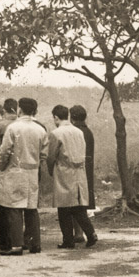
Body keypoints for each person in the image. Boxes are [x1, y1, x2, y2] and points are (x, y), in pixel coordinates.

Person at [0, 97, 48, 256]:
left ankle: (17, 245)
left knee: (14, 209)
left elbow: (4, 151)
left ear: (19, 109)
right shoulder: (40, 129)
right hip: (32, 171)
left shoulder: (13, 128)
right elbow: (44, 154)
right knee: (32, 208)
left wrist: (1, 165)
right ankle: (35, 244)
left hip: (15, 170)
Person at [48, 105, 97, 249]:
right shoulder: (79, 132)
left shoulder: (56, 133)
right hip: (79, 171)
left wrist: (51, 170)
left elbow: (51, 156)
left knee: (63, 208)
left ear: (56, 117)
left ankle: (68, 240)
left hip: (64, 171)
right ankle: (90, 232)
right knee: (78, 207)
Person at [0, 98, 19, 251]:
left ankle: (4, 237)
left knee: (1, 205)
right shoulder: (31, 125)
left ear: (4, 110)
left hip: (1, 168)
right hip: (23, 169)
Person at [69, 105, 96, 243]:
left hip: (77, 171)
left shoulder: (75, 132)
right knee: (82, 202)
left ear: (72, 117)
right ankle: (82, 232)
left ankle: (79, 233)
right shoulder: (88, 131)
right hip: (88, 170)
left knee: (75, 202)